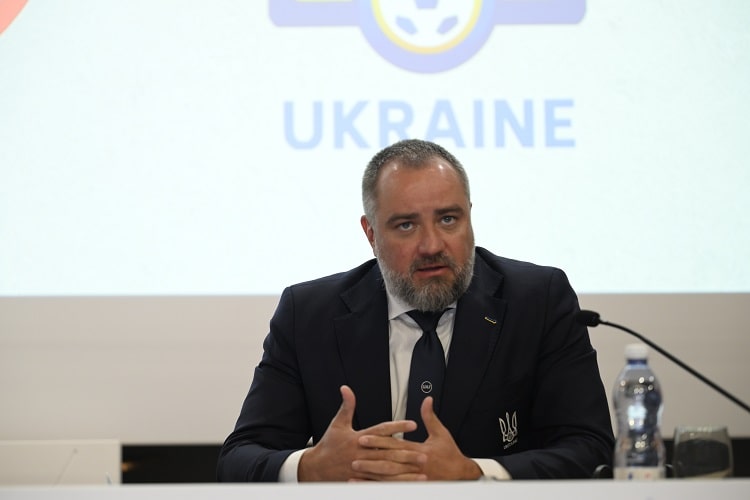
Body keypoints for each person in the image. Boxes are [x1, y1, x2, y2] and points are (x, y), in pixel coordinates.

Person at [217, 139, 614, 481]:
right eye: (406, 225)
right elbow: (238, 458)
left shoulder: (537, 301)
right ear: (371, 233)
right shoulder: (308, 314)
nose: (432, 245)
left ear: (469, 216)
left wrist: (476, 474)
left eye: (448, 219)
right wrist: (310, 467)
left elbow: (591, 449)